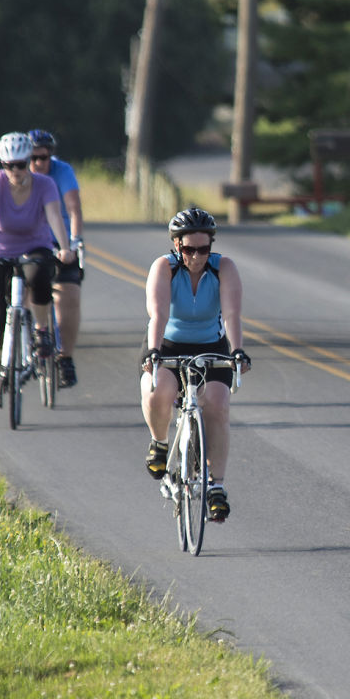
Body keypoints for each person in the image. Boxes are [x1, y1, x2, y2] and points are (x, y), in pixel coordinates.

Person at [139, 207, 250, 523]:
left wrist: (238, 350)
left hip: (211, 346)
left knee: (217, 404)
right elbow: (157, 314)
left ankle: (216, 486)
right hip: (167, 343)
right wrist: (153, 352)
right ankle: (160, 444)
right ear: (177, 246)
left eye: (204, 249)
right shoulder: (164, 268)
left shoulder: (223, 268)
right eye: (189, 249)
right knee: (158, 389)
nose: (197, 256)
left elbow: (231, 315)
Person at [0, 132, 74, 411]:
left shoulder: (45, 184)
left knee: (39, 277)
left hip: (35, 245)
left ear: (29, 162)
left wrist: (64, 247)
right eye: (9, 165)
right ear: (2, 165)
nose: (15, 171)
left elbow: (54, 216)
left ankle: (41, 332)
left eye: (21, 165)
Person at [27, 128, 85, 388]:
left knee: (69, 295)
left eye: (44, 157)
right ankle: (26, 341)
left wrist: (74, 242)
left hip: (58, 242)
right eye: (33, 158)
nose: (39, 163)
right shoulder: (17, 173)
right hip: (26, 241)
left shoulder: (62, 171)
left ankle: (65, 358)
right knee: (21, 290)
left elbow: (73, 208)